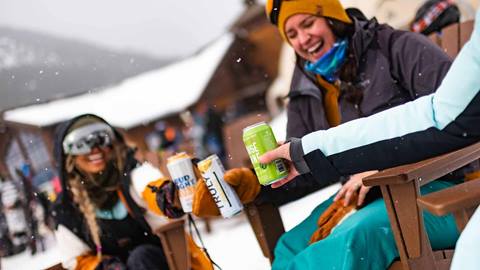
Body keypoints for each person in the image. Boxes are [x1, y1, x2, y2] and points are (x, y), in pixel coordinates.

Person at [260, 9, 480, 270]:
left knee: (349, 242)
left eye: (308, 24)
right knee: (290, 246)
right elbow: (301, 169)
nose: (303, 39)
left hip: (438, 185)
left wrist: (382, 163)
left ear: (333, 19)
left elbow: (452, 121)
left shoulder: (395, 47)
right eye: (292, 34)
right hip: (368, 195)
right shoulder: (306, 86)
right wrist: (250, 185)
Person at [52, 114, 211, 270]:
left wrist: (168, 197)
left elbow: (151, 188)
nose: (95, 149)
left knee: (141, 257)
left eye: (102, 139)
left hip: (166, 262)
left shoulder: (132, 174)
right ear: (69, 156)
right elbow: (76, 259)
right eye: (82, 144)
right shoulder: (67, 207)